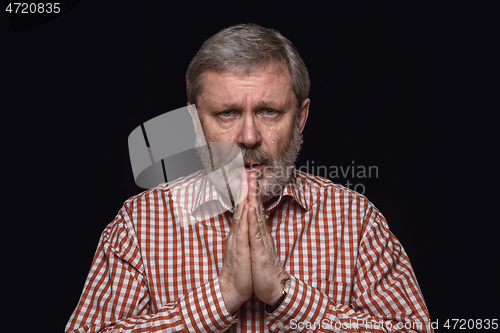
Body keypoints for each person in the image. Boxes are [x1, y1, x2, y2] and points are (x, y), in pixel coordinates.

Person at [66, 24, 433, 332]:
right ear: (195, 123)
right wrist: (221, 297)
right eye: (226, 113)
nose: (249, 137)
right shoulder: (139, 224)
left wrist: (286, 296)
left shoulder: (355, 220)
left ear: (300, 118)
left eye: (269, 111)